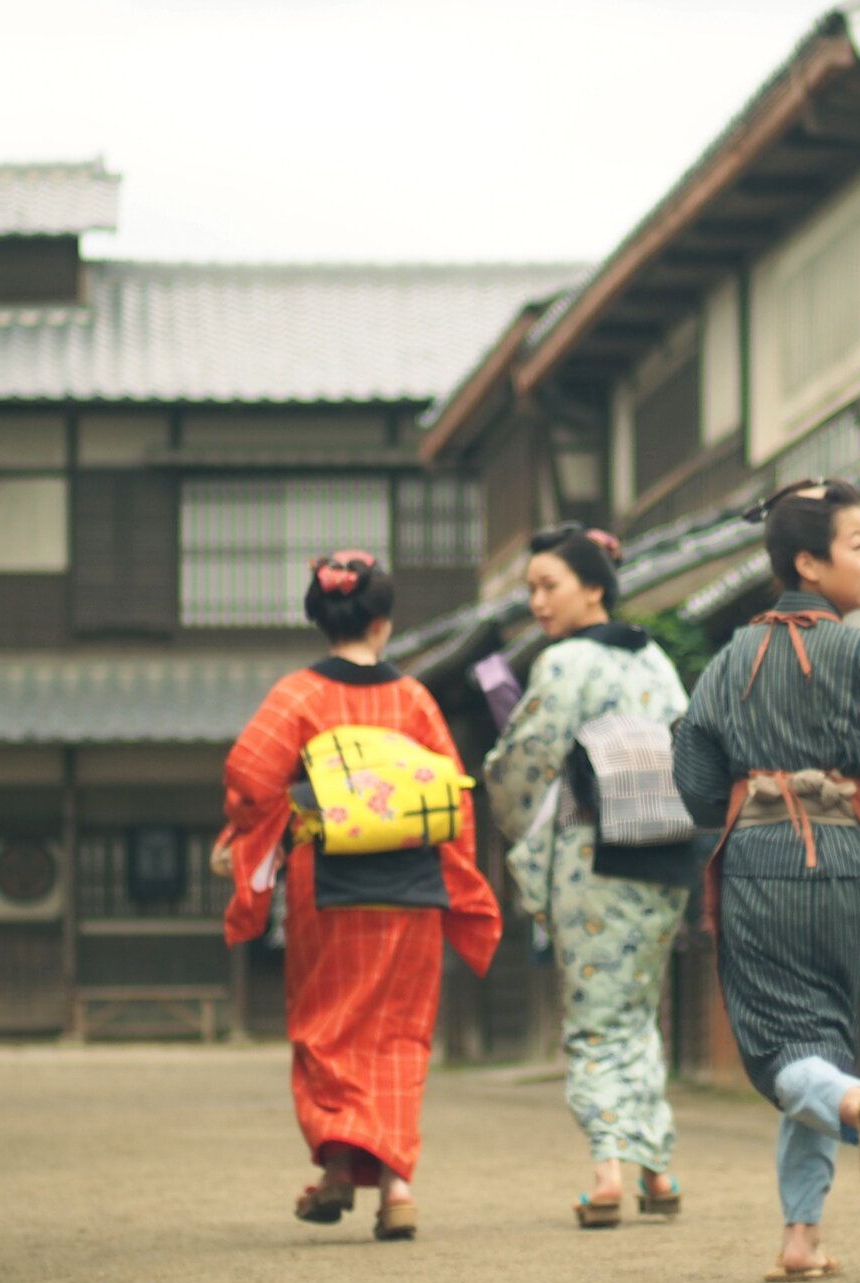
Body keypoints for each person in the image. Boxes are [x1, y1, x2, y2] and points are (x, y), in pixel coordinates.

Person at [671, 480, 860, 1282]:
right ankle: (801, 1239)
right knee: (821, 1041)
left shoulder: (729, 661)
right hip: (851, 860)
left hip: (761, 862)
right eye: (858, 543)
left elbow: (694, 786)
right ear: (808, 560)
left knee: (778, 1052)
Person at [217, 550, 502, 1242]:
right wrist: (458, 878)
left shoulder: (299, 696)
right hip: (410, 887)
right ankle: (397, 1187)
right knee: (399, 1033)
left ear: (321, 618)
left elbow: (251, 776)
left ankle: (341, 1171)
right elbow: (454, 801)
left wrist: (252, 831)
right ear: (383, 623)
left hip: (330, 884)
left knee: (327, 1024)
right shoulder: (413, 700)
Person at [482, 526, 694, 1228]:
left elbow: (529, 752)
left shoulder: (565, 662)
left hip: (593, 851)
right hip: (662, 844)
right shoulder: (656, 660)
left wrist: (501, 791)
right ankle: (657, 1170)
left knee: (594, 1016)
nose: (537, 603)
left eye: (549, 586)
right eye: (531, 590)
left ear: (594, 587)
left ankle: (607, 1171)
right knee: (638, 1006)